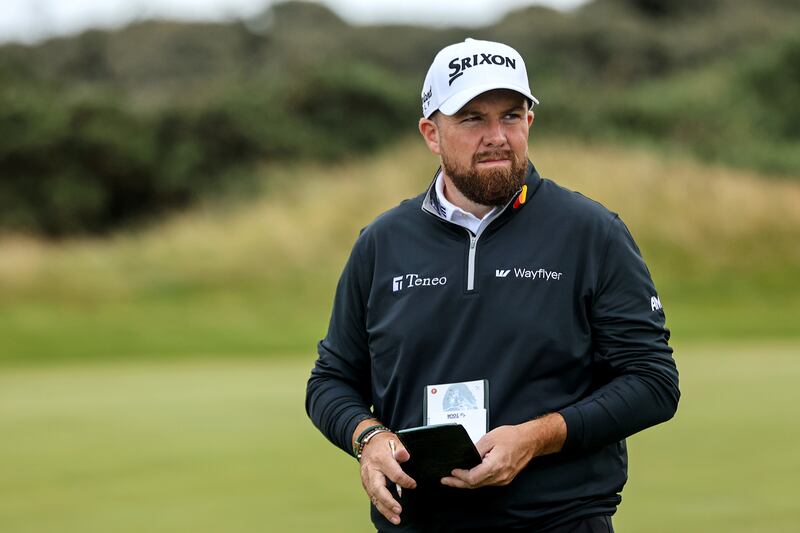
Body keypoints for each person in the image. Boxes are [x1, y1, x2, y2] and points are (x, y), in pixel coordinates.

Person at [306, 38, 680, 532]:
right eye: (472, 119)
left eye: (511, 116)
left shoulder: (590, 232)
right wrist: (368, 438)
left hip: (558, 521)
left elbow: (653, 381)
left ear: (529, 122)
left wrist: (536, 437)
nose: (497, 136)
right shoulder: (382, 243)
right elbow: (332, 380)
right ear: (432, 133)